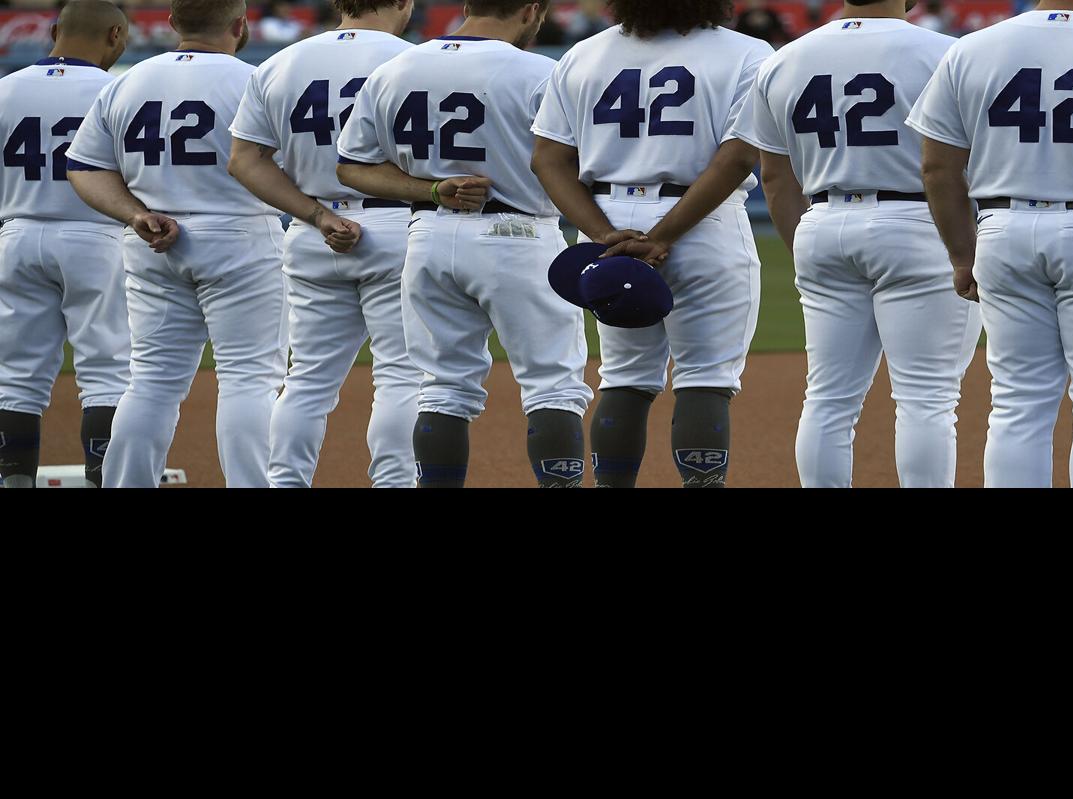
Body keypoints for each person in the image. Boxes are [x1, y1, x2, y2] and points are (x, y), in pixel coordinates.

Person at [722, 0, 981, 486]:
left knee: (827, 399)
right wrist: (964, 249)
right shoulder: (948, 51)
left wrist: (807, 247)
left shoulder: (785, 58)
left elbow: (775, 178)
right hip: (919, 221)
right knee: (927, 398)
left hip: (823, 219)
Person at [337, 0, 592, 488]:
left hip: (429, 236)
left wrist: (431, 189)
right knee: (552, 387)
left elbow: (350, 166)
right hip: (519, 235)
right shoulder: (543, 71)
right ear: (531, 10)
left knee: (442, 391)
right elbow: (579, 163)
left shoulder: (396, 67)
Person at [908, 0, 1073, 487]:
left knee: (1017, 403)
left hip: (1004, 227)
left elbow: (938, 167)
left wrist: (962, 256)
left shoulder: (974, 46)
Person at [532, 0, 772, 488]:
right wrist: (662, 237)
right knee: (706, 376)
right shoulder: (748, 52)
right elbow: (736, 158)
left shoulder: (583, 53)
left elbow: (548, 160)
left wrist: (603, 235)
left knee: (624, 376)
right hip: (702, 221)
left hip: (608, 221)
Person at [66, 0, 288, 488]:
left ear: (171, 23)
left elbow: (82, 166)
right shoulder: (256, 80)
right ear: (239, 24)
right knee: (249, 380)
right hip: (240, 235)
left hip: (152, 238)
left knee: (149, 383)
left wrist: (135, 214)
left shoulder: (129, 80)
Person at [227, 0, 423, 488]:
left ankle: (284, 482)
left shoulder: (281, 62)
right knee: (402, 375)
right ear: (403, 3)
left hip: (314, 229)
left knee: (308, 382)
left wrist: (316, 216)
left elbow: (245, 161)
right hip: (398, 224)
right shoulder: (413, 60)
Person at [0, 0, 130, 489]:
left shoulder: (4, 89)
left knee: (15, 376)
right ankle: (104, 479)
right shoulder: (117, 89)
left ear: (54, 30)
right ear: (116, 35)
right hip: (96, 236)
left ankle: (15, 481)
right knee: (107, 369)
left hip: (17, 233)